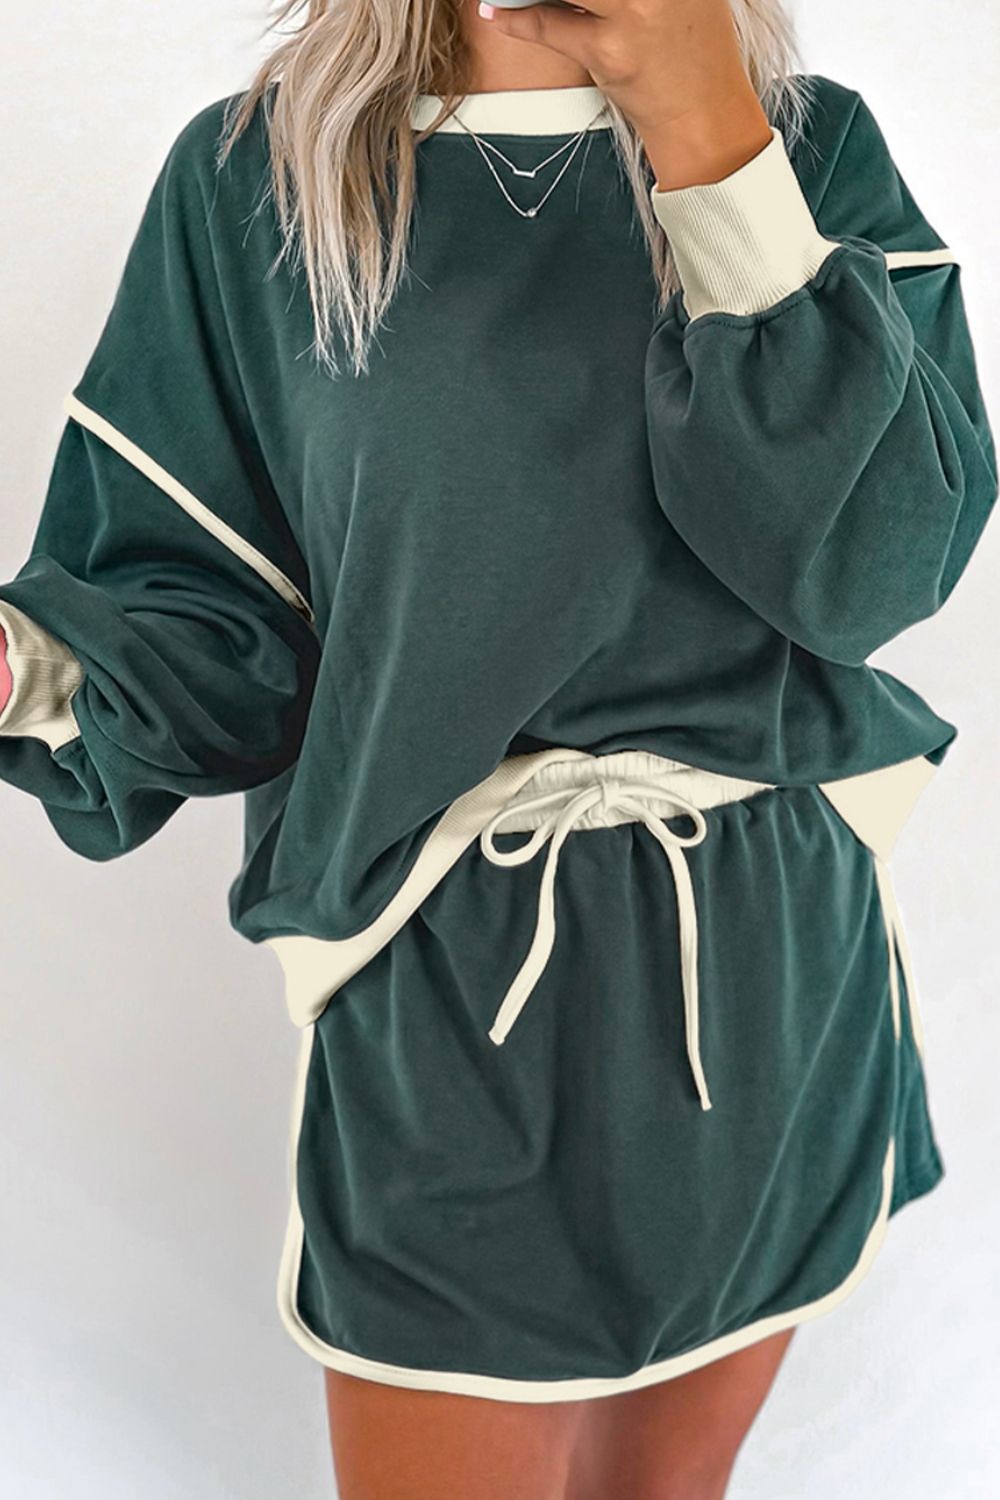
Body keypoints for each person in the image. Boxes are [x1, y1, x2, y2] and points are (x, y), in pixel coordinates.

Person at [1, 0, 996, 1495]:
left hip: (772, 956)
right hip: (447, 986)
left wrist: (710, 142)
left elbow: (871, 572)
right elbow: (212, 621)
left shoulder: (808, 146)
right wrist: (26, 670)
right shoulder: (257, 182)